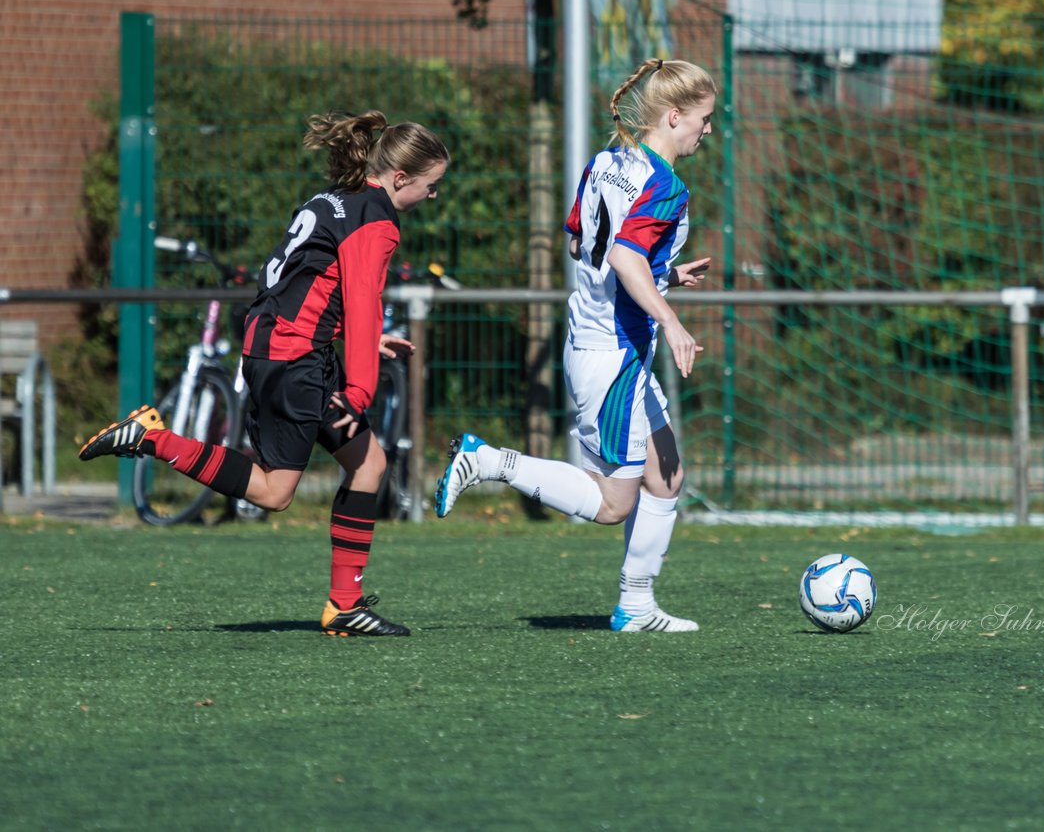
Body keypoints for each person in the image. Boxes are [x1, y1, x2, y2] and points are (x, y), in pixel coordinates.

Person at [79, 110, 449, 638]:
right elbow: (364, 300)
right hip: (295, 360)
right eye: (431, 187)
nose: (433, 197)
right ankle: (155, 440)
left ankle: (344, 605)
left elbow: (310, 283)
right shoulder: (377, 219)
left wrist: (352, 338)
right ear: (400, 179)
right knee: (276, 492)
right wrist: (360, 388)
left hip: (284, 350)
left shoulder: (333, 197)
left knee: (369, 465)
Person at [434, 58, 716, 633]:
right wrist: (673, 319)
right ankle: (488, 460)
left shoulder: (606, 161)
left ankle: (636, 605)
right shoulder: (666, 185)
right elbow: (622, 256)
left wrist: (666, 274)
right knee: (615, 504)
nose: (707, 132)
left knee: (667, 477)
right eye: (705, 120)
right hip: (612, 354)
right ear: (674, 115)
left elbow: (580, 245)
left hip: (604, 344)